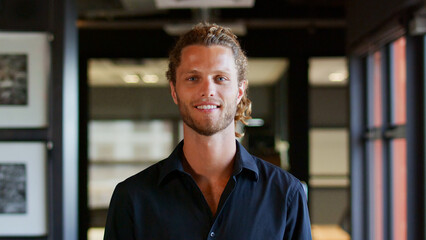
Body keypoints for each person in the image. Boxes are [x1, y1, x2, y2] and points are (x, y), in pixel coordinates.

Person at [104, 22, 312, 240]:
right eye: (193, 78)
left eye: (220, 78)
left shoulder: (286, 193)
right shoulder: (132, 198)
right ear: (174, 91)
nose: (207, 90)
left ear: (240, 90)